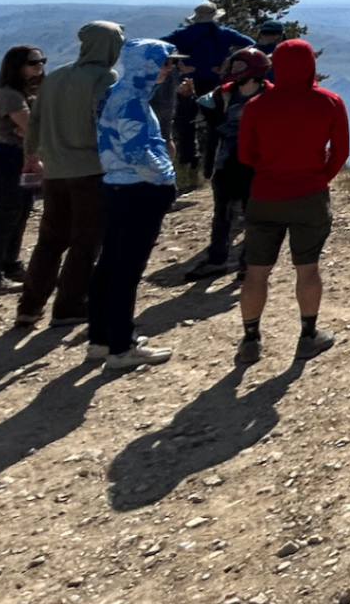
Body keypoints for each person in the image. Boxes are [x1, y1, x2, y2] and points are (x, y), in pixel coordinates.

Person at [233, 37, 349, 363]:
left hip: (266, 194)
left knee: (256, 272)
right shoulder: (329, 102)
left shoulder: (257, 105)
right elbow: (341, 152)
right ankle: (308, 336)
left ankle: (251, 340)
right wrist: (319, 177)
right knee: (307, 268)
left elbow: (246, 154)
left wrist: (272, 171)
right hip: (310, 194)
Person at [16, 20, 124, 330]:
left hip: (55, 171)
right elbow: (102, 118)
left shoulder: (57, 76)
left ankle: (29, 307)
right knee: (86, 242)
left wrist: (31, 156)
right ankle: (69, 307)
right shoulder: (104, 76)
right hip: (91, 170)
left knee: (50, 240)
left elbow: (34, 122)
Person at [85, 39, 180, 371]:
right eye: (166, 63)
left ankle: (100, 338)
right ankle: (121, 347)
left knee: (110, 262)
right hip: (140, 189)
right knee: (128, 269)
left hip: (115, 186)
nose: (169, 69)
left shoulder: (117, 92)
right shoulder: (134, 103)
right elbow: (138, 151)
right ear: (147, 64)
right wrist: (166, 175)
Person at [183, 48, 271, 280]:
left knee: (254, 215)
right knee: (222, 213)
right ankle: (217, 260)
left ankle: (248, 263)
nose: (234, 71)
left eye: (240, 68)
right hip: (227, 160)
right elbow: (204, 118)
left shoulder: (271, 96)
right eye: (234, 67)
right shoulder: (223, 95)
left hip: (255, 164)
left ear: (254, 71)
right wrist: (187, 99)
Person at [0, 46, 46, 296]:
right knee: (5, 218)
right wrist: (30, 128)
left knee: (21, 213)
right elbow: (33, 127)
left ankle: (9, 264)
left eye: (42, 61)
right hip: (9, 159)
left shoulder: (26, 93)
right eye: (34, 62)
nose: (40, 66)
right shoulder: (9, 95)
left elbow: (31, 129)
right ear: (17, 66)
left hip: (25, 156)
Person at [163, 4, 254, 96]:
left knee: (187, 107)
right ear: (214, 16)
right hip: (216, 80)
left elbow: (159, 45)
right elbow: (253, 46)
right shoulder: (225, 33)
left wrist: (176, 62)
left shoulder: (181, 33)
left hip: (187, 82)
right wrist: (230, 61)